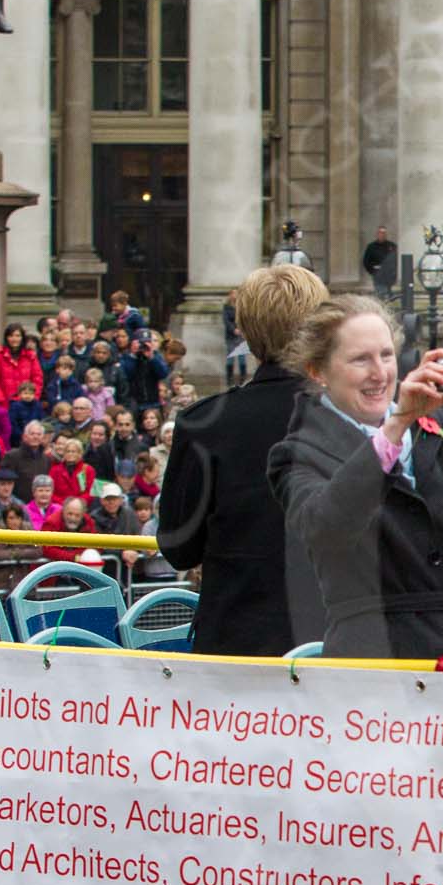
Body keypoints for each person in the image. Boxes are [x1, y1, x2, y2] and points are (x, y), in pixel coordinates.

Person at [268, 299, 443, 659]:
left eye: (386, 355)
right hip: (375, 664)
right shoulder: (297, 453)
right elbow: (327, 527)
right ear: (318, 371)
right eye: (360, 359)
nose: (380, 373)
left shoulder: (431, 427)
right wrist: (395, 426)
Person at [158, 265, 330, 657]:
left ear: (245, 332)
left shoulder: (204, 422)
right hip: (339, 645)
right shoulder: (360, 422)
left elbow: (179, 546)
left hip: (237, 642)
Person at [362, 226, 398, 299]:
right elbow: (366, 261)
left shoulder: (392, 246)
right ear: (377, 234)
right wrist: (373, 271)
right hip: (378, 276)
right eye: (380, 233)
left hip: (389, 276)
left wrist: (394, 275)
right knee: (381, 294)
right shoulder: (371, 247)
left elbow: (395, 262)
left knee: (388, 295)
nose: (382, 235)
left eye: (384, 233)